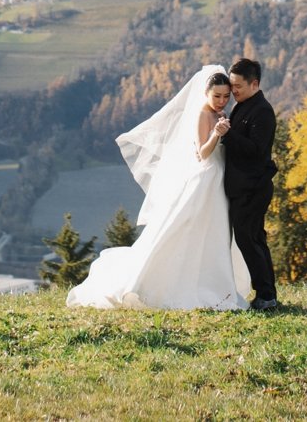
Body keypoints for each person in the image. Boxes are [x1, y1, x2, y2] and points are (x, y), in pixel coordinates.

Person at [66, 67, 251, 310]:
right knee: (183, 229)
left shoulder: (220, 114)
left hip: (217, 181)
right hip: (204, 179)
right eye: (217, 95)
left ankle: (211, 283)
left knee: (212, 234)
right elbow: (202, 154)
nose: (221, 101)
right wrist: (217, 135)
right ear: (205, 93)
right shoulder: (202, 115)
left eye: (226, 96)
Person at [221, 56, 280, 311]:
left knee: (249, 239)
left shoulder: (262, 111)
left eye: (238, 87)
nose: (233, 92)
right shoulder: (244, 105)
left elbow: (256, 150)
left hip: (253, 187)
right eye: (232, 86)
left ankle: (266, 296)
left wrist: (228, 134)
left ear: (254, 84)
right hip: (244, 187)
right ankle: (267, 295)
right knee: (254, 238)